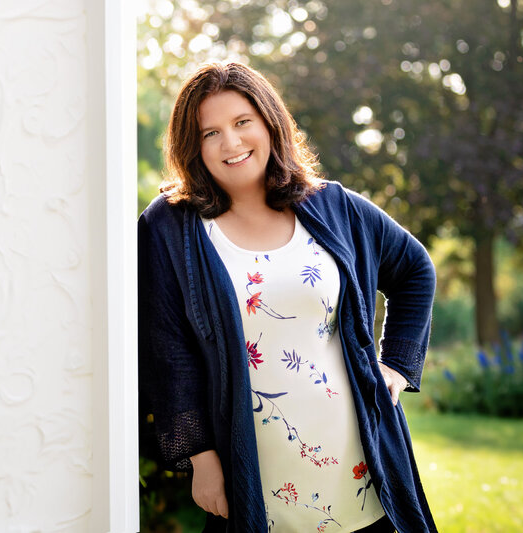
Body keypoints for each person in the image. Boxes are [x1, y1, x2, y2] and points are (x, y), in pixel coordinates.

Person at [138, 61, 437, 533]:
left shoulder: (334, 206)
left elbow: (415, 269)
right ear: (191, 146)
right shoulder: (170, 227)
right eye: (209, 133)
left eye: (242, 123)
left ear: (269, 122)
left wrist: (396, 365)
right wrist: (201, 458)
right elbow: (166, 350)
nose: (231, 144)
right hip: (255, 475)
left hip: (361, 463)